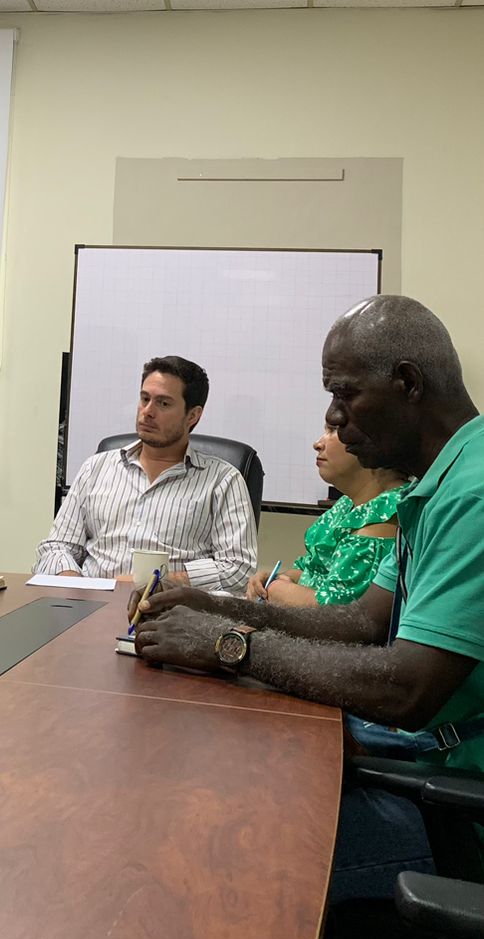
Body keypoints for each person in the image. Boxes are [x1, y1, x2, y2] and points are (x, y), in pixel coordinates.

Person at [134, 296, 484, 903]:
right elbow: (363, 622)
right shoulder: (438, 481)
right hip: (425, 765)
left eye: (345, 394)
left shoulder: (473, 493)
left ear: (407, 384)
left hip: (455, 811)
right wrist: (216, 607)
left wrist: (228, 645)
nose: (333, 416)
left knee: (206, 840)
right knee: (219, 774)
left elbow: (407, 688)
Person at [32, 355, 257, 593]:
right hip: (92, 602)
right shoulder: (96, 468)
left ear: (193, 415)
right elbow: (56, 547)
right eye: (145, 399)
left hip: (172, 608)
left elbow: (239, 568)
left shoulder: (223, 480)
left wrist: (161, 581)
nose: (147, 411)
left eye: (163, 404)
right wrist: (75, 586)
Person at [246, 426, 408, 607]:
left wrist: (276, 589)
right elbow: (314, 571)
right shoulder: (349, 503)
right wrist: (276, 578)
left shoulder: (385, 515)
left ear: (372, 440)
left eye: (333, 430)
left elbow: (338, 609)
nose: (317, 444)